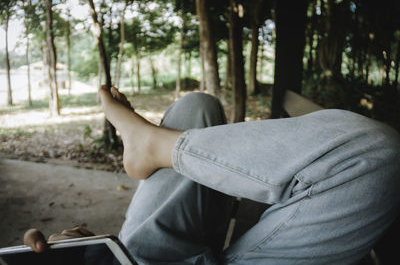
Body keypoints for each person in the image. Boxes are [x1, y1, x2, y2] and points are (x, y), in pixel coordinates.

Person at [24, 86, 400, 264]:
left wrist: (83, 255)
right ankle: (155, 146)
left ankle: (153, 144)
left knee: (196, 108)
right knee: (375, 154)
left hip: (137, 258)